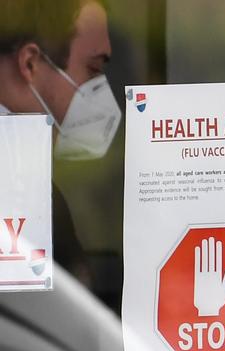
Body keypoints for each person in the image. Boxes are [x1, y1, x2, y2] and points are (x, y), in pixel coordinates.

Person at [0, 0, 121, 283]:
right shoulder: (21, 191)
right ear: (30, 63)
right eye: (92, 70)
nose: (101, 92)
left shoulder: (30, 180)